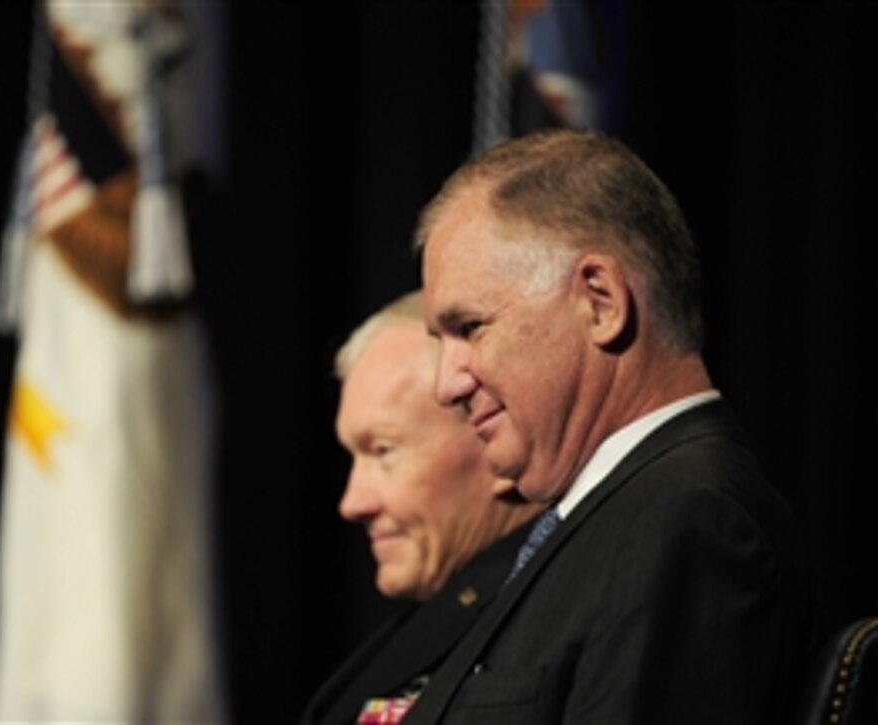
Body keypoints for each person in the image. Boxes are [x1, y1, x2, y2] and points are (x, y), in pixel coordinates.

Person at [402, 128, 815, 725]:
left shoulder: (688, 523)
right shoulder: (609, 519)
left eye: (470, 327)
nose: (448, 384)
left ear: (600, 303)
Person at [301, 290, 545, 725]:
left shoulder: (552, 625)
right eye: (353, 456)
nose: (352, 504)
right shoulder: (442, 621)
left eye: (384, 450)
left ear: (498, 441)